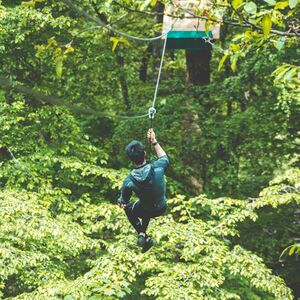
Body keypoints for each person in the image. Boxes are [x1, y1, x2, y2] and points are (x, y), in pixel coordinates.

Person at [118, 128, 169, 253]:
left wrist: (120, 200)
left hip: (145, 210)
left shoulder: (129, 181)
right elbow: (164, 157)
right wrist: (154, 142)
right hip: (161, 207)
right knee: (147, 202)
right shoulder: (158, 167)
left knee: (131, 208)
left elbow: (123, 202)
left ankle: (143, 235)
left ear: (130, 160)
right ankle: (143, 235)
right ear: (145, 154)